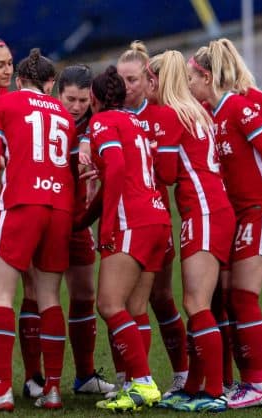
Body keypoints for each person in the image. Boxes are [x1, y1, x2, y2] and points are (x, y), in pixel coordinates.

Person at [0, 48, 76, 411]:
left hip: (22, 203)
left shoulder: (4, 106)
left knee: (2, 296)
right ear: (51, 84)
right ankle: (53, 390)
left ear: (21, 80)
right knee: (50, 298)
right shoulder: (64, 114)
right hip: (59, 208)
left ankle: (0, 390)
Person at [188, 40, 262, 409]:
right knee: (227, 298)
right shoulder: (210, 113)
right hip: (236, 216)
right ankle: (234, 382)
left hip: (259, 213)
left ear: (207, 77)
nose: (189, 86)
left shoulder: (241, 107)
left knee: (244, 297)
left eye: (192, 79)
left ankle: (258, 385)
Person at [144, 50, 235, 412]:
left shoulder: (170, 114)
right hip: (210, 210)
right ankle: (196, 385)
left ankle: (213, 392)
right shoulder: (196, 111)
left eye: (151, 78)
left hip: (204, 212)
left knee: (196, 303)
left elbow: (166, 174)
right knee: (201, 303)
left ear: (159, 81)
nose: (147, 85)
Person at [85, 66, 171, 412]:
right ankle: (136, 384)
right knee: (135, 309)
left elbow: (117, 169)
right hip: (157, 218)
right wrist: (82, 221)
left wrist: (105, 229)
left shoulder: (102, 122)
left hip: (132, 222)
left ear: (94, 98)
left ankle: (143, 382)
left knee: (108, 304)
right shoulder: (134, 121)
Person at [0, 20, 46, 398]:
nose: (7, 69)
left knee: (27, 286)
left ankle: (33, 377)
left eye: (9, 62)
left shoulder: (13, 103)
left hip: (10, 207)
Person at [115, 41, 189, 397]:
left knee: (159, 298)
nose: (126, 86)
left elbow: (169, 174)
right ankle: (127, 378)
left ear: (148, 81)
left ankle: (182, 373)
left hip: (153, 221)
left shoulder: (162, 116)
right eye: (121, 80)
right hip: (119, 220)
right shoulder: (109, 116)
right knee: (121, 301)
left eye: (132, 80)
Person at [57, 64, 115, 395]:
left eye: (82, 99)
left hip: (79, 221)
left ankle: (84, 376)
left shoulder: (97, 126)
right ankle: (37, 379)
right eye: (70, 99)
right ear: (58, 94)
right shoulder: (50, 120)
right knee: (38, 298)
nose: (76, 106)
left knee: (84, 296)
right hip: (49, 219)